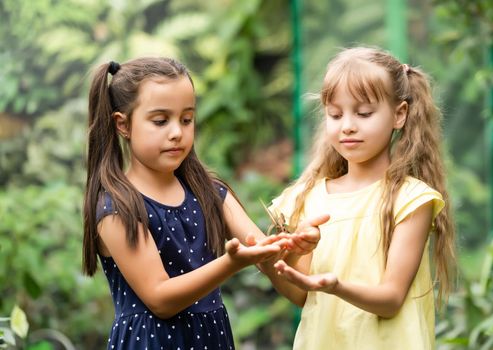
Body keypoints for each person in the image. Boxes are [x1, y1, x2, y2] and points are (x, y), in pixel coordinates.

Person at [82, 57, 327, 350]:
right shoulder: (118, 207)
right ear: (123, 124)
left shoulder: (211, 193)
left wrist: (295, 247)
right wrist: (231, 263)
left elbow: (268, 258)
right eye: (160, 121)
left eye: (186, 119)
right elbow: (160, 298)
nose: (177, 132)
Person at [261, 47, 456, 349]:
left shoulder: (412, 199)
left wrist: (337, 286)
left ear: (399, 114)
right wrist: (277, 262)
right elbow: (301, 295)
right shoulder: (307, 197)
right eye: (335, 114)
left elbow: (391, 300)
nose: (347, 125)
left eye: (364, 113)